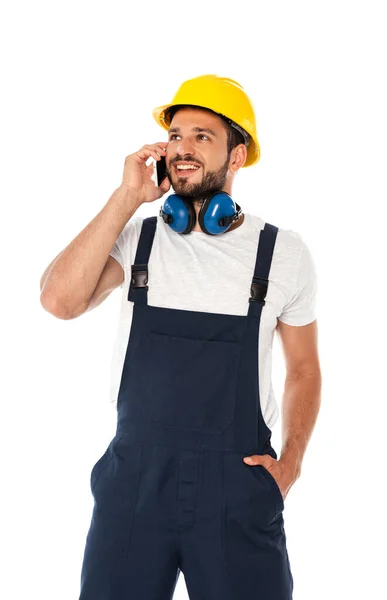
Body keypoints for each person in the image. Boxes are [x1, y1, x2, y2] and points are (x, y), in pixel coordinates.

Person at [39, 74, 322, 600]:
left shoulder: (282, 253)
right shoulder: (138, 237)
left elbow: (304, 369)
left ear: (237, 157)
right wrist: (127, 198)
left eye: (201, 136)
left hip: (236, 491)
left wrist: (288, 469)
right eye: (175, 136)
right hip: (135, 486)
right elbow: (59, 301)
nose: (181, 149)